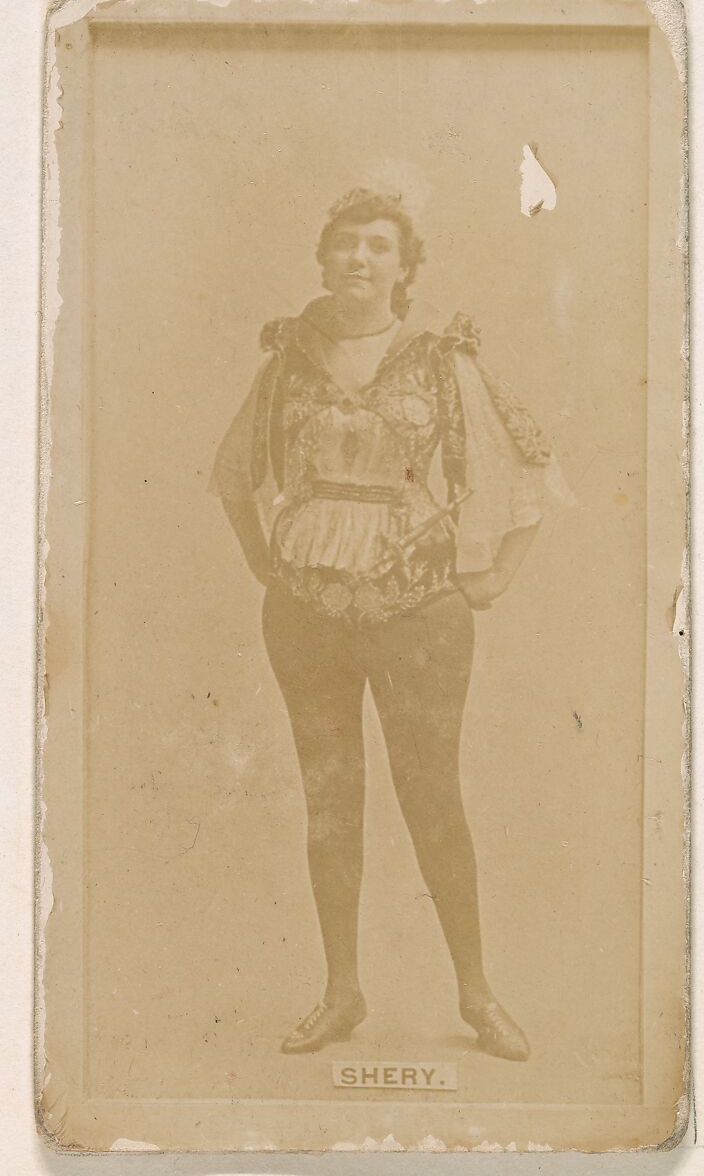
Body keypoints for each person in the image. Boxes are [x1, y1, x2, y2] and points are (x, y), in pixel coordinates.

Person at [210, 186, 572, 1060]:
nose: (359, 258)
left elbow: (528, 465)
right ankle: (341, 994)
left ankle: (477, 995)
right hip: (306, 612)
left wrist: (495, 575)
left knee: (432, 798)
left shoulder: (439, 357)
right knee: (330, 801)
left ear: (406, 269)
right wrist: (265, 563)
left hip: (419, 613)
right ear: (324, 258)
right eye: (345, 243)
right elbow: (233, 474)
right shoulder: (289, 358)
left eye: (379, 246)